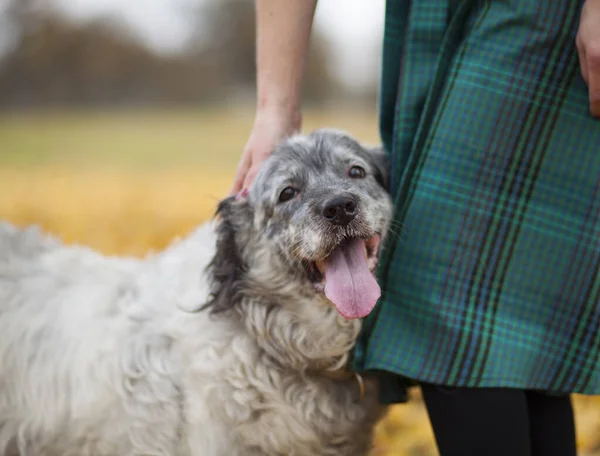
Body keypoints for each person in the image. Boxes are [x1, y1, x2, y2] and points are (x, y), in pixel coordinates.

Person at [230, 1, 600, 455]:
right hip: (420, 19)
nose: (338, 200)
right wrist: (274, 105)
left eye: (354, 175)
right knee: (505, 301)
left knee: (447, 290)